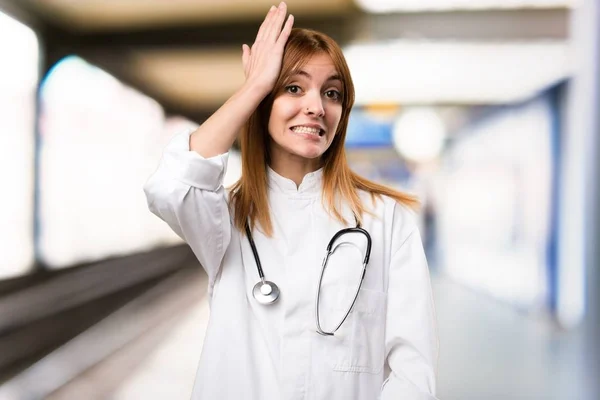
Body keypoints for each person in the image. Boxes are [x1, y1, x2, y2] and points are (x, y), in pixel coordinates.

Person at [144, 2, 439, 399]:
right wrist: (252, 87)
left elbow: (413, 370)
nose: (316, 107)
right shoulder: (224, 220)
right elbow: (171, 185)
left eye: (332, 93)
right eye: (293, 88)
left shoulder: (385, 221)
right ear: (263, 103)